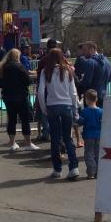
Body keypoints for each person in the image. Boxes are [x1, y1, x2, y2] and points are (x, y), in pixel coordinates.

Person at [37, 48, 80, 180]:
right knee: (68, 138)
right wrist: (76, 109)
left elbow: (40, 92)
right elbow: (73, 93)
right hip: (66, 105)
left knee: (55, 138)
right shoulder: (68, 70)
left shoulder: (46, 71)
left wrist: (44, 108)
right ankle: (74, 167)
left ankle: (57, 169)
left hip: (52, 106)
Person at [0, 49, 40, 151]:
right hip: (20, 96)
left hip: (8, 97)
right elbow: (28, 81)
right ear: (17, 56)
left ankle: (12, 143)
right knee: (24, 120)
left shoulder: (3, 67)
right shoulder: (19, 66)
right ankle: (28, 143)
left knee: (11, 120)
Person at [77, 89, 102, 179]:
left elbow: (80, 122)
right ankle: (98, 172)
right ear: (97, 99)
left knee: (89, 154)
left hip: (88, 136)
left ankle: (91, 171)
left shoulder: (85, 112)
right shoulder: (101, 111)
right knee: (97, 153)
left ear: (86, 100)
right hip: (99, 135)